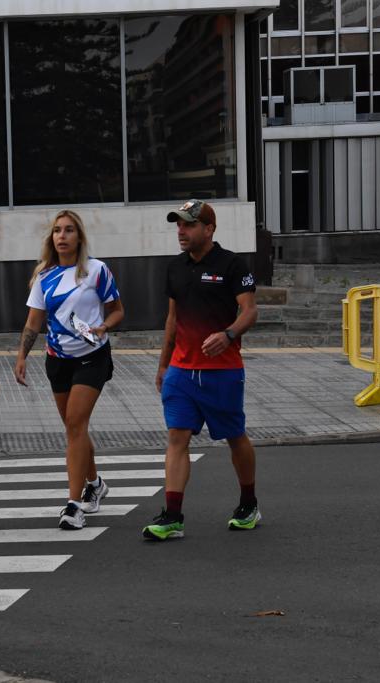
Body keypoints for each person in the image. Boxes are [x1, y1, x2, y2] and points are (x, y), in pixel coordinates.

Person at [143, 199, 260, 542]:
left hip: (221, 371)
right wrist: (163, 364)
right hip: (181, 370)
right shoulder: (175, 268)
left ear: (209, 229)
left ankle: (249, 503)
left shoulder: (232, 265)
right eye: (178, 225)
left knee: (234, 438)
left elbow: (250, 311)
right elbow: (172, 319)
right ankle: (173, 515)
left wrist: (228, 335)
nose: (181, 231)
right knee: (176, 438)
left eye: (189, 225)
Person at [13, 210, 124, 530]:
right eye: (57, 231)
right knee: (75, 429)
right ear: (52, 238)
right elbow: (34, 322)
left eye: (69, 230)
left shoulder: (96, 270)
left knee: (75, 424)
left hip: (92, 357)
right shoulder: (43, 276)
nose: (62, 236)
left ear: (79, 237)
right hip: (57, 360)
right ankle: (95, 483)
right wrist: (21, 357)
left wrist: (103, 327)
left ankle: (73, 504)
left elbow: (118, 311)